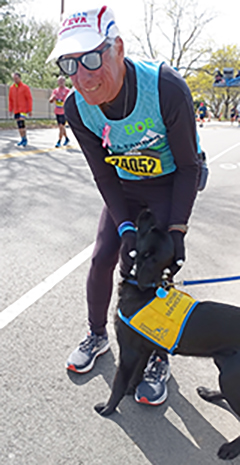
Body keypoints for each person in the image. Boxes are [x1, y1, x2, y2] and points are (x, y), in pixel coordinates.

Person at [47, 5, 201, 405]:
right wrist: (125, 227)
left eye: (93, 58)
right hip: (125, 187)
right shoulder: (76, 106)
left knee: (154, 272)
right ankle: (98, 334)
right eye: (70, 64)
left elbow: (188, 166)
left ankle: (157, 355)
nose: (82, 76)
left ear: (118, 48)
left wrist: (177, 230)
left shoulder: (166, 87)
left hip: (168, 185)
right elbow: (103, 174)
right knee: (103, 260)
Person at [8, 72, 32, 147]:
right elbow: (10, 100)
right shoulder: (12, 88)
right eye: (14, 79)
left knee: (21, 123)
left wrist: (29, 110)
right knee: (19, 125)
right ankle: (22, 138)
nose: (15, 80)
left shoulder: (25, 87)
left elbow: (29, 99)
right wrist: (10, 109)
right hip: (16, 109)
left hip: (23, 109)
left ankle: (25, 139)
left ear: (20, 78)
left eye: (16, 78)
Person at [49, 75, 70, 147]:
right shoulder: (55, 90)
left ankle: (59, 141)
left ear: (64, 81)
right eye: (59, 81)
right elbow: (50, 100)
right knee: (61, 127)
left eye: (62, 81)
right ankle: (66, 138)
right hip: (57, 111)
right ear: (58, 82)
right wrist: (53, 98)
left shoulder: (67, 91)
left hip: (64, 112)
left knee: (61, 126)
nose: (61, 82)